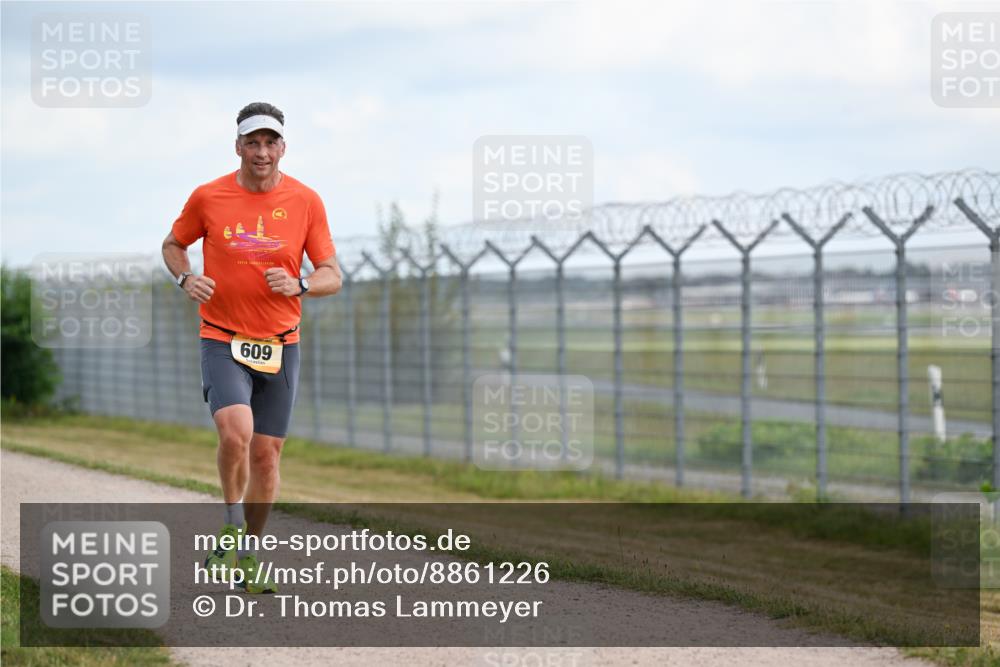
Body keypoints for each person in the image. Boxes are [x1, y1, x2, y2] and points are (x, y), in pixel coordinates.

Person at [162, 102, 341, 593]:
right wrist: (185, 277)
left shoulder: (306, 201)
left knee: (266, 456)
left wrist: (301, 285)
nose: (261, 152)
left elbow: (332, 274)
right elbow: (172, 244)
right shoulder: (209, 196)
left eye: (270, 142)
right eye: (252, 142)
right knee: (236, 431)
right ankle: (231, 522)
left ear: (283, 147)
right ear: (237, 145)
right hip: (222, 335)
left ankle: (247, 553)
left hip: (281, 343)